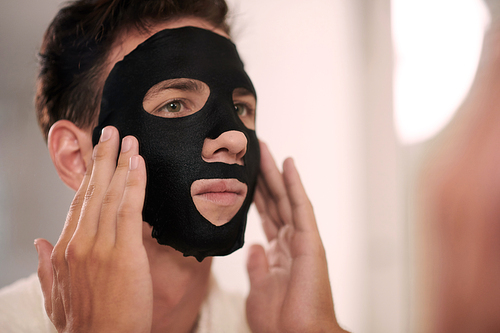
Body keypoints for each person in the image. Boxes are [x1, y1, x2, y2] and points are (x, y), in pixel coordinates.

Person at [0, 0, 348, 332]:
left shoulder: (271, 326)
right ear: (77, 157)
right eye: (174, 104)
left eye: (240, 109)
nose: (236, 138)